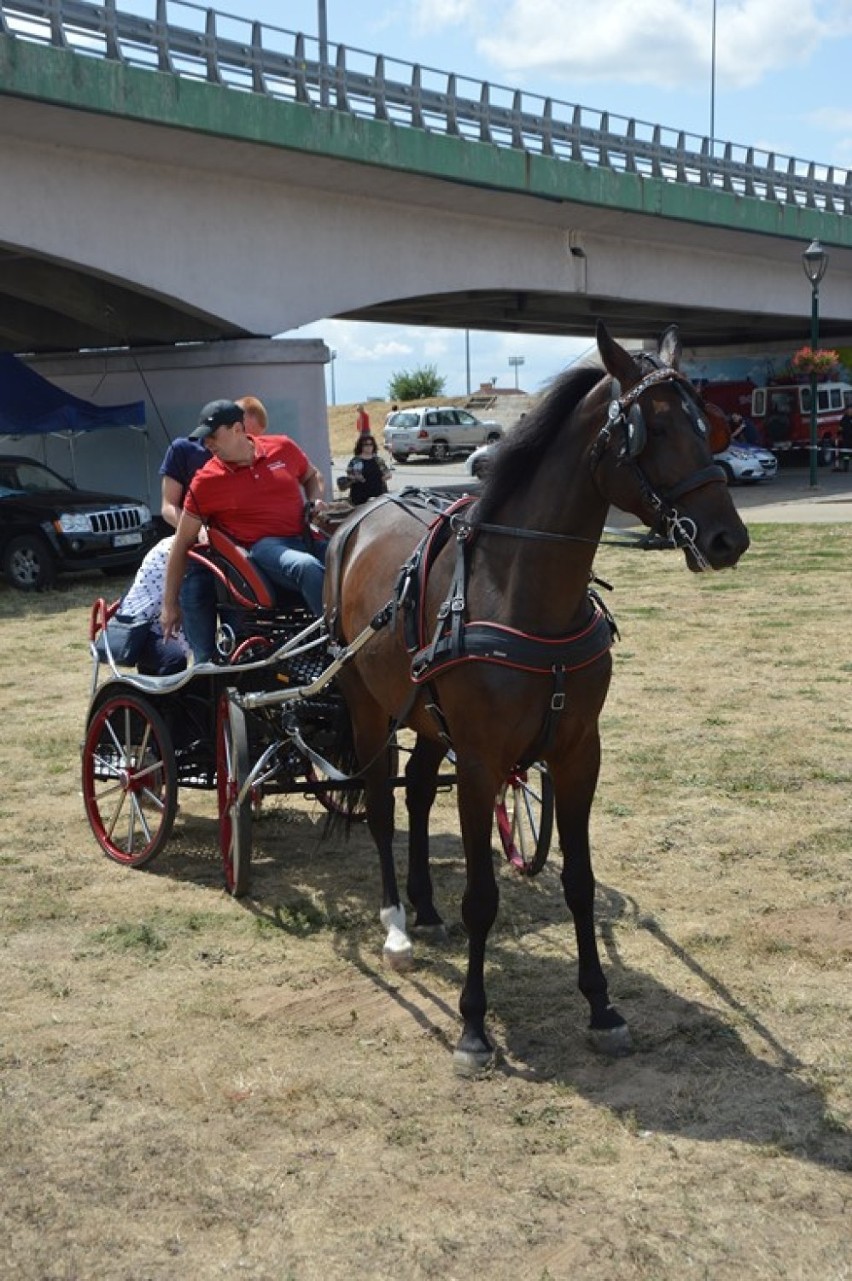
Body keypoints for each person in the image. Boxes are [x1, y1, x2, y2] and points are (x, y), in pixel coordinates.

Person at [161, 399, 327, 648]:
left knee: (359, 557)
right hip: (262, 550)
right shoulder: (206, 480)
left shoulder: (282, 447)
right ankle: (336, 640)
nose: (207, 444)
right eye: (204, 438)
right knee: (307, 567)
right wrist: (169, 604)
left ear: (238, 429)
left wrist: (314, 500)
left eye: (212, 436)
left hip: (305, 536)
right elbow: (183, 542)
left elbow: (312, 475)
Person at [158, 395, 269, 662]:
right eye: (247, 434)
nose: (250, 444)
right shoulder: (184, 450)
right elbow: (167, 507)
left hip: (236, 564)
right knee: (203, 651)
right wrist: (197, 530)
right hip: (197, 559)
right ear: (234, 427)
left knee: (242, 646)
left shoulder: (254, 454)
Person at [97, 536, 189, 675]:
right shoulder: (173, 548)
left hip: (155, 625)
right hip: (135, 629)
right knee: (174, 658)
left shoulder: (179, 544)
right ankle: (164, 696)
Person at [344, 433, 390, 506]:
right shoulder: (355, 461)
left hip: (378, 495)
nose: (369, 447)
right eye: (366, 444)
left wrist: (384, 477)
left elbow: (388, 473)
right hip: (360, 497)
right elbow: (350, 476)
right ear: (361, 446)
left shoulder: (378, 460)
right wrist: (356, 478)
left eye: (371, 444)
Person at [835, 397, 852, 473]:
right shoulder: (844, 418)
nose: (849, 410)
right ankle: (846, 467)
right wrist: (838, 434)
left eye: (850, 409)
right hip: (846, 438)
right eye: (848, 409)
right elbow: (840, 427)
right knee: (846, 454)